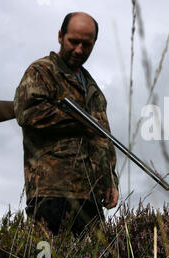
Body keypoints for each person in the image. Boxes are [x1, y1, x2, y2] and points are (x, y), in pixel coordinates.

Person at [14, 12, 119, 236]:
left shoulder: (93, 89)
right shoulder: (41, 72)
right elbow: (27, 113)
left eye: (87, 45)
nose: (79, 50)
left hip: (90, 196)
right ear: (61, 36)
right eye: (74, 41)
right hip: (51, 193)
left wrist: (110, 181)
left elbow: (103, 137)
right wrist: (77, 119)